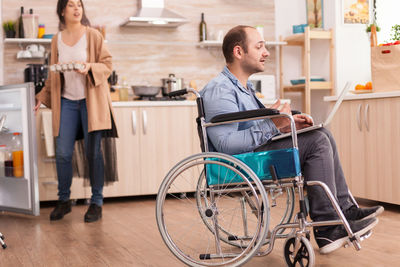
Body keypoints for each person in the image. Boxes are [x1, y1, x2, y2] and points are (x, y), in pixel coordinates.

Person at [200, 25, 383, 254]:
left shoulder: (243, 89)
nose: (266, 52)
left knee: (321, 133)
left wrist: (288, 125)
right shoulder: (220, 90)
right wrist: (273, 124)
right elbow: (227, 145)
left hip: (255, 155)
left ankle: (344, 210)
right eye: (259, 46)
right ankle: (327, 228)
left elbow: (255, 130)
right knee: (317, 141)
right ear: (238, 52)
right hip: (240, 165)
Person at [34, 0, 117, 223]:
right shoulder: (56, 40)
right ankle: (64, 201)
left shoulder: (93, 35)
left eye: (79, 4)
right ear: (62, 11)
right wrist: (41, 98)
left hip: (91, 102)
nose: (76, 8)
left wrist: (90, 67)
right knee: (62, 153)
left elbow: (107, 64)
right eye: (71, 5)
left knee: (93, 153)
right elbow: (52, 75)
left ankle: (96, 202)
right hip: (67, 102)